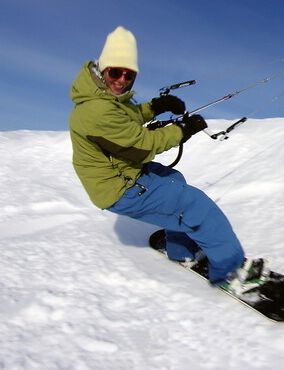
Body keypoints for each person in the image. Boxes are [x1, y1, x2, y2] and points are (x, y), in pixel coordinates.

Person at [69, 26, 267, 293]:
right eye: (116, 72)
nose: (122, 80)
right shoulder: (95, 111)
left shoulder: (105, 97)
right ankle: (231, 272)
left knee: (175, 180)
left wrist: (155, 107)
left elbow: (128, 116)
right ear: (102, 70)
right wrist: (184, 130)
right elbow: (142, 147)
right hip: (119, 187)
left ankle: (180, 249)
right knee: (196, 204)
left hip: (126, 171)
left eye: (129, 74)